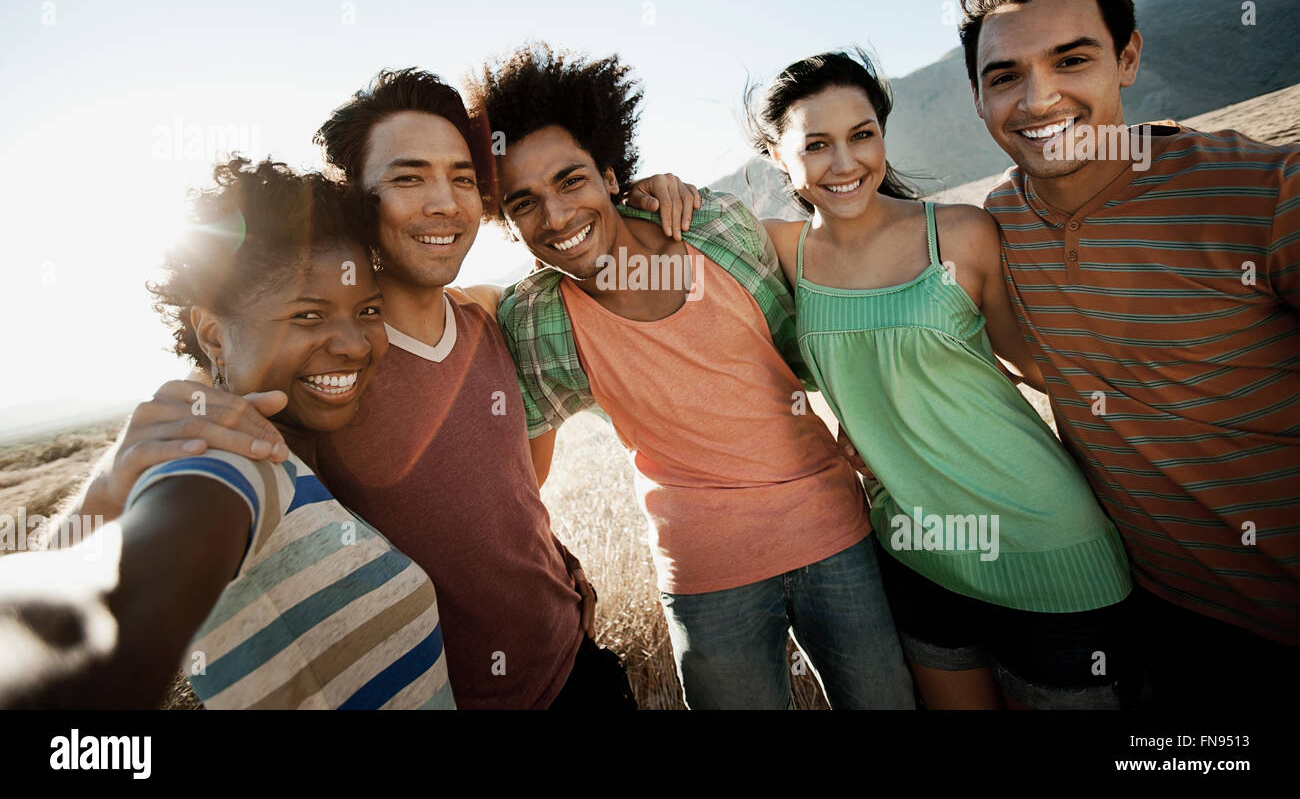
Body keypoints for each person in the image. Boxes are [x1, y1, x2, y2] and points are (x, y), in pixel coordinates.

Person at [91, 68, 691, 709]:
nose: (444, 202)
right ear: (356, 200)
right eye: (409, 178)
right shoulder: (326, 374)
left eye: (462, 178)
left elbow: (511, 494)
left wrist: (643, 199)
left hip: (579, 669)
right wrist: (110, 487)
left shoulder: (495, 317)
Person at [472, 43, 915, 710]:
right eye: (525, 204)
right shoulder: (539, 323)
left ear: (612, 174)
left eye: (571, 181)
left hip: (834, 534)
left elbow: (812, 356)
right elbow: (522, 478)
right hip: (706, 575)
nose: (557, 216)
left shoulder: (712, 226)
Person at [959, 0, 1300, 706]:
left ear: (1129, 58)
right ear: (979, 99)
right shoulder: (995, 227)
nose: (1037, 99)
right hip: (1162, 625)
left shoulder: (1261, 191)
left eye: (1072, 60)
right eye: (1005, 75)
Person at [749, 49, 1134, 709]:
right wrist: (650, 190)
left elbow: (1035, 367)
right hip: (915, 552)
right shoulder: (784, 252)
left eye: (862, 135)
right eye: (816, 145)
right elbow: (679, 238)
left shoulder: (959, 233)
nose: (845, 164)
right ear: (779, 160)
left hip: (1044, 541)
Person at [0, 158, 454, 709]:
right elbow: (107, 592)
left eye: (367, 310)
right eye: (308, 316)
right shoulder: (234, 457)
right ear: (213, 336)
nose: (356, 344)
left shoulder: (299, 453)